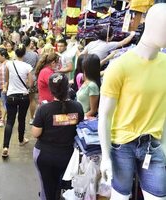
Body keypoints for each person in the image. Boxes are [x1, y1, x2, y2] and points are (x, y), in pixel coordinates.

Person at [98, 4, 166, 200]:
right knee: (120, 197)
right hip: (122, 145)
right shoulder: (119, 67)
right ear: (150, 24)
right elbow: (104, 115)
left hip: (153, 145)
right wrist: (105, 156)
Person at [32, 73, 84, 200]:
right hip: (69, 156)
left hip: (45, 156)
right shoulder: (77, 107)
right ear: (68, 88)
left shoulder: (43, 109)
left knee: (47, 189)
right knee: (67, 189)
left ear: (51, 90)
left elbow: (35, 133)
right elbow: (80, 129)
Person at [2, 44, 33, 157]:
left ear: (15, 53)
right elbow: (30, 84)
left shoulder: (9, 64)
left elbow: (6, 79)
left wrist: (7, 87)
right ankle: (21, 140)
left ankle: (5, 146)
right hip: (24, 96)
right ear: (24, 54)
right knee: (22, 119)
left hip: (11, 96)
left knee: (10, 121)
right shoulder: (27, 67)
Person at [22, 36, 39, 125]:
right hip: (32, 78)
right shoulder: (35, 54)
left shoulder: (20, 54)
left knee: (22, 100)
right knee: (32, 99)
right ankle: (32, 118)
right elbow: (37, 66)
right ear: (30, 43)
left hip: (22, 79)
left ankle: (22, 118)